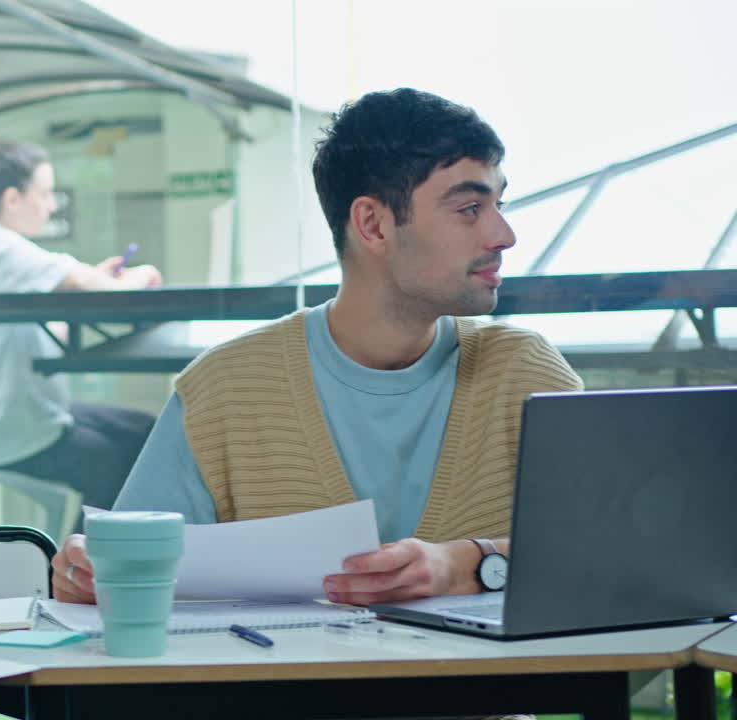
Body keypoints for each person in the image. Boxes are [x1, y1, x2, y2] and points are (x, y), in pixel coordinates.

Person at [51, 88, 583, 605]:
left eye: (498, 204)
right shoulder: (227, 388)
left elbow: (613, 553)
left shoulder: (525, 374)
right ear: (373, 225)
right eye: (469, 208)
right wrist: (89, 574)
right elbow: (126, 566)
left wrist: (465, 565)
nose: (504, 235)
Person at [0, 138, 164, 512]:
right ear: (12, 199)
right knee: (114, 464)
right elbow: (92, 286)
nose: (52, 205)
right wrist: (140, 275)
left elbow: (51, 326)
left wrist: (93, 280)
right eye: (44, 193)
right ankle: (83, 553)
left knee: (145, 433)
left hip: (8, 418)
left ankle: (100, 546)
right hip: (2, 432)